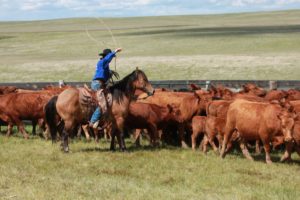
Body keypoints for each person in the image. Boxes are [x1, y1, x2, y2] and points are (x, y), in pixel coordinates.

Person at [90, 48, 122, 128]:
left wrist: (110, 73)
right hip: (98, 84)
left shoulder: (104, 65)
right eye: (109, 56)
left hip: (99, 83)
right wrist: (115, 51)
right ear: (107, 56)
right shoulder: (102, 62)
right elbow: (108, 59)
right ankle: (93, 121)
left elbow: (105, 74)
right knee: (103, 104)